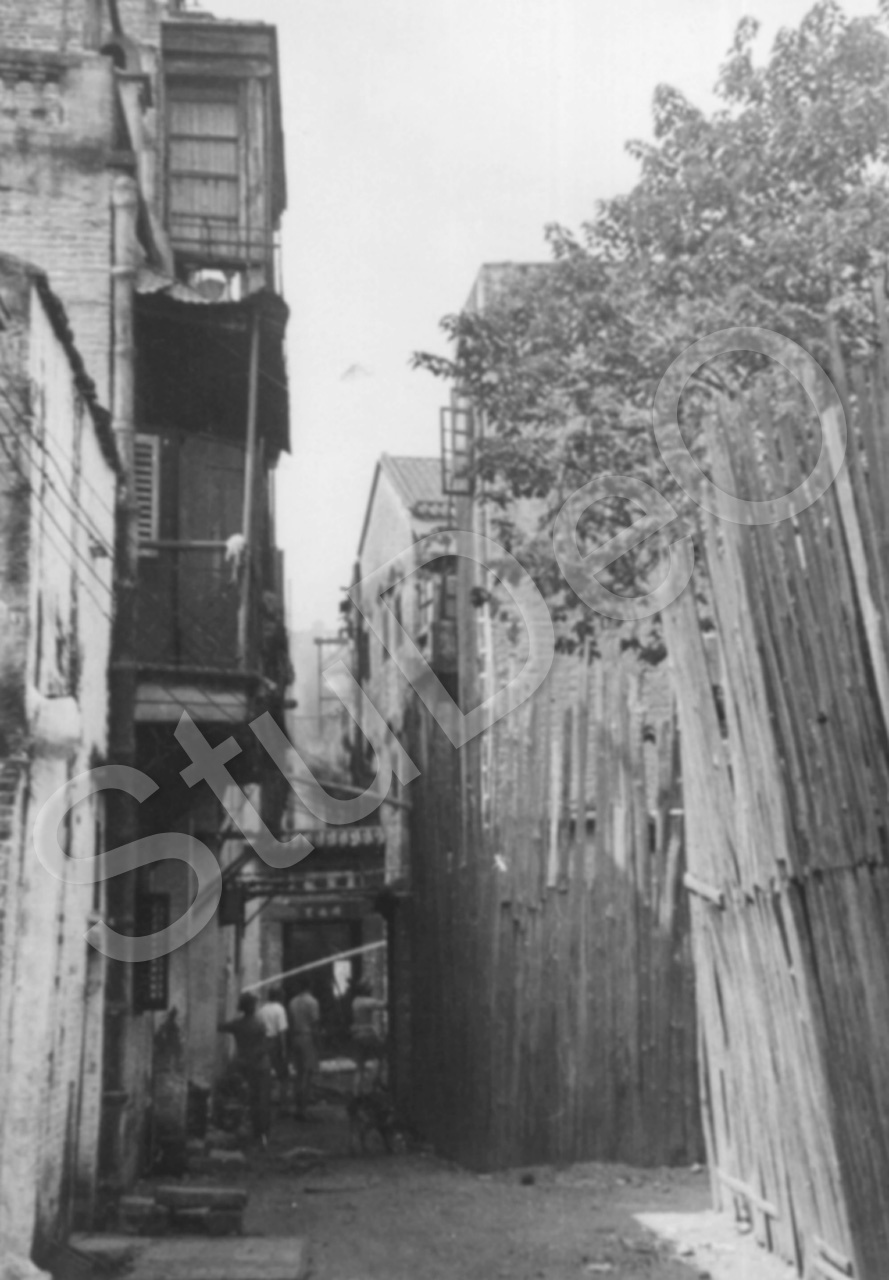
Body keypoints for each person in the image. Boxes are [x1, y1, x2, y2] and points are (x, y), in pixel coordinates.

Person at [218, 992, 271, 1145]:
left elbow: (220, 1027)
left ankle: (251, 1129)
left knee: (249, 1098)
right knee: (261, 1100)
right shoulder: (259, 1024)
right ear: (253, 1007)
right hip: (261, 1065)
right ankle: (261, 1132)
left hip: (246, 1065)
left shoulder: (238, 1024)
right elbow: (265, 1045)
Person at [288, 980, 320, 1118]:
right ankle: (303, 1109)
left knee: (298, 1074)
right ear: (310, 987)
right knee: (308, 1074)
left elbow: (290, 1023)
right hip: (307, 1037)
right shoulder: (312, 1002)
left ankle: (297, 1107)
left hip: (295, 1037)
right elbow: (315, 1024)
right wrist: (318, 1043)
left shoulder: (292, 1002)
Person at [350, 979, 387, 1090]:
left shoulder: (355, 1001)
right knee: (380, 1057)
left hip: (356, 1034)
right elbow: (383, 1005)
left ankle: (356, 1093)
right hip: (367, 1033)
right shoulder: (366, 1001)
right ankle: (374, 1083)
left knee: (360, 1066)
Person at [258, 986, 289, 1102]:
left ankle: (265, 1101)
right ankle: (283, 1102)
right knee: (283, 1075)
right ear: (278, 996)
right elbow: (282, 1031)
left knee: (265, 1073)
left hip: (263, 1042)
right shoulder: (279, 1009)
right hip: (275, 1042)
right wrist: (284, 1049)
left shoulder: (261, 1010)